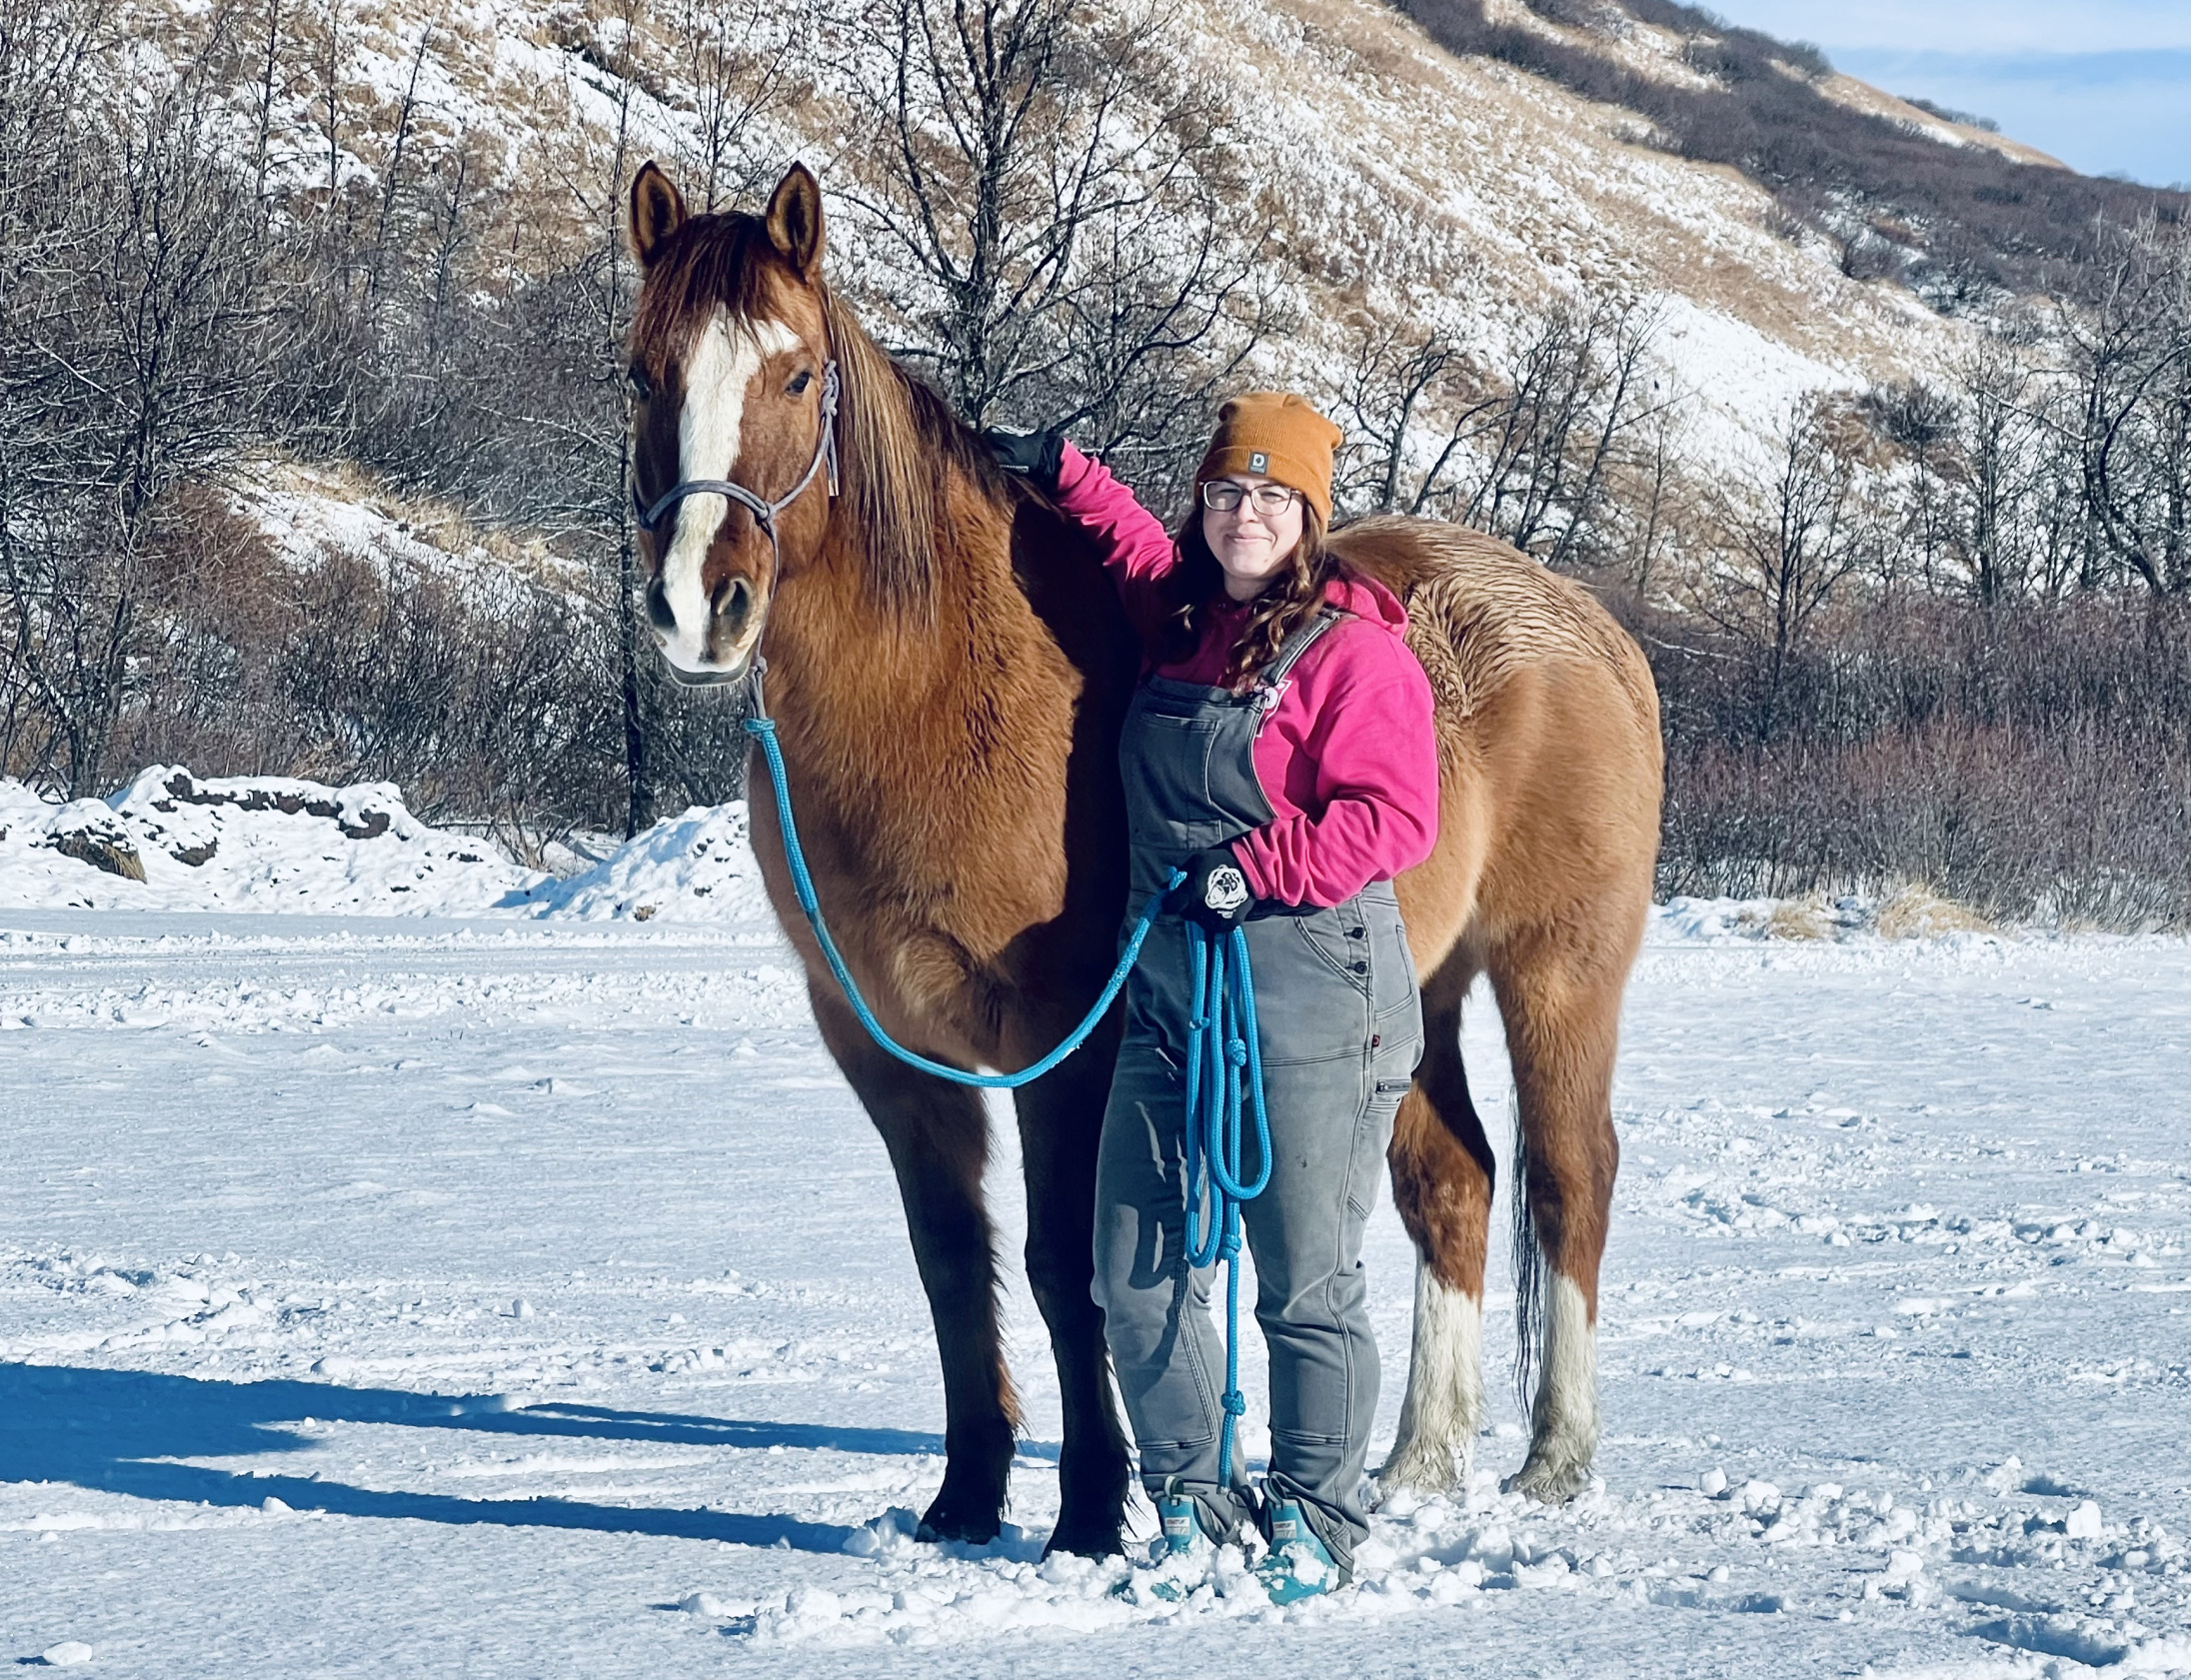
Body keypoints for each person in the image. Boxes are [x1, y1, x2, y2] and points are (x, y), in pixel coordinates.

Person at [988, 394, 1439, 1601]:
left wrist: (1256, 869)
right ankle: (1190, 1494)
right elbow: (1134, 545)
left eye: (1272, 496)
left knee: (1303, 1281)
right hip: (1170, 997)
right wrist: (1063, 467)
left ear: (1309, 516)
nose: (1246, 514)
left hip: (1311, 994)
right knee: (1128, 1270)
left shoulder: (1354, 649)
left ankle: (1317, 1512)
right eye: (1228, 493)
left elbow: (1395, 817)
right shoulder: (1181, 620)